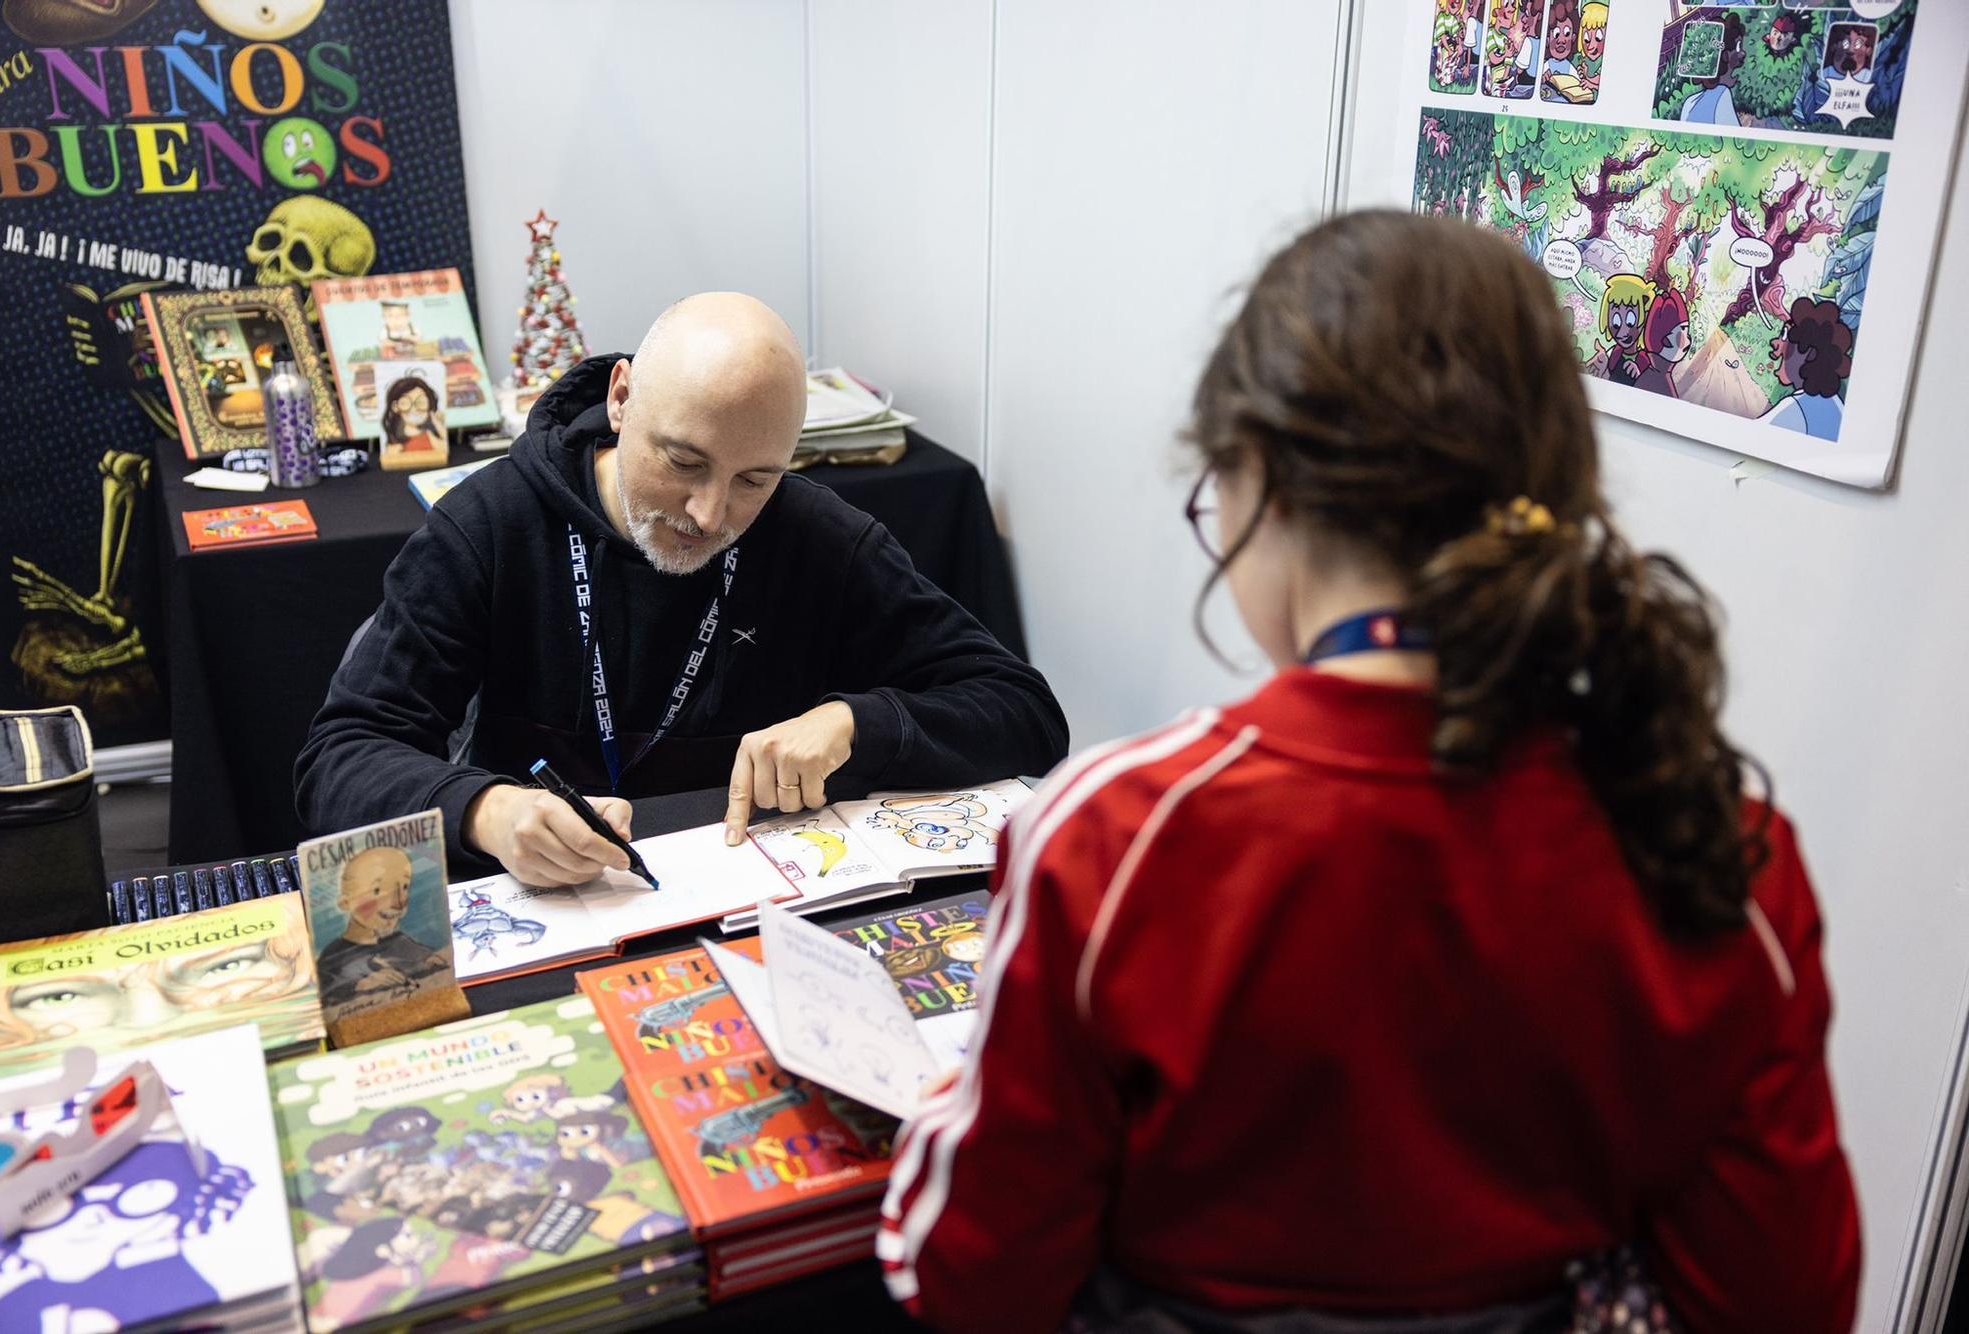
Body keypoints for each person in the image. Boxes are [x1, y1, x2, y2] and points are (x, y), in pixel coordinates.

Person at [880, 212, 1859, 1332]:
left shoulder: (1111, 838)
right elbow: (1786, 1300)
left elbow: (968, 1276)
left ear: (1260, 478)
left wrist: (957, 1102)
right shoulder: (1718, 851)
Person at [296, 293, 1065, 886]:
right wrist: (486, 811)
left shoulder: (819, 537)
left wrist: (855, 723)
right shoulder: (492, 526)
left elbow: (1023, 711)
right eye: (684, 463)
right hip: (540, 899)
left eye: (754, 480)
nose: (709, 514)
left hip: (746, 892)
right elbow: (339, 758)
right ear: (622, 398)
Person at [315, 846, 450, 1009]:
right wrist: (360, 985)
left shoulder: (400, 942)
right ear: (345, 903)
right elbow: (328, 996)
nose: (398, 903)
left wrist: (429, 962)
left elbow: (427, 960)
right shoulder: (333, 958)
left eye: (404, 887)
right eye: (377, 890)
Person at [1759, 296, 1854, 440]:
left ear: (1807, 353)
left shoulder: (1796, 409)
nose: (1775, 343)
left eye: (1785, 336)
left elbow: (1752, 437)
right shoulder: (1833, 403)